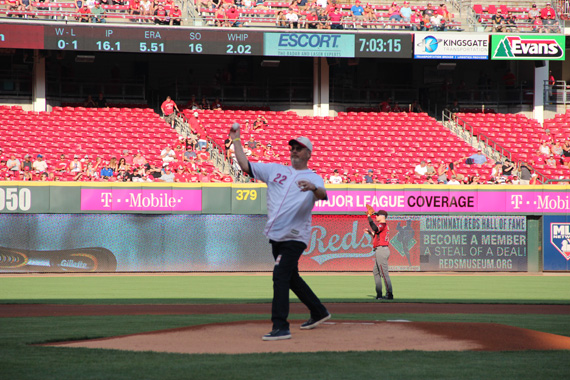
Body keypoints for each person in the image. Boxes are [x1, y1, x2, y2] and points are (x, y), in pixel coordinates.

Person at [230, 125, 330, 342]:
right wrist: (236, 141)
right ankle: (319, 311)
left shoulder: (314, 177)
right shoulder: (275, 170)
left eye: (299, 148)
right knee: (291, 277)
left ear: (308, 155)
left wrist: (313, 187)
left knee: (280, 276)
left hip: (295, 237)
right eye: (292, 147)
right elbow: (245, 165)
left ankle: (280, 326)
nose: (294, 150)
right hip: (276, 236)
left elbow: (323, 195)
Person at [363, 209, 393, 300]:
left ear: (382, 216)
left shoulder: (382, 224)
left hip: (382, 250)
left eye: (377, 215)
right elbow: (377, 236)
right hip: (380, 249)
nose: (375, 216)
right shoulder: (383, 226)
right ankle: (379, 294)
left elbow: (375, 228)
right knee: (376, 272)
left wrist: (369, 217)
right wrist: (370, 233)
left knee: (384, 273)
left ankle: (389, 295)